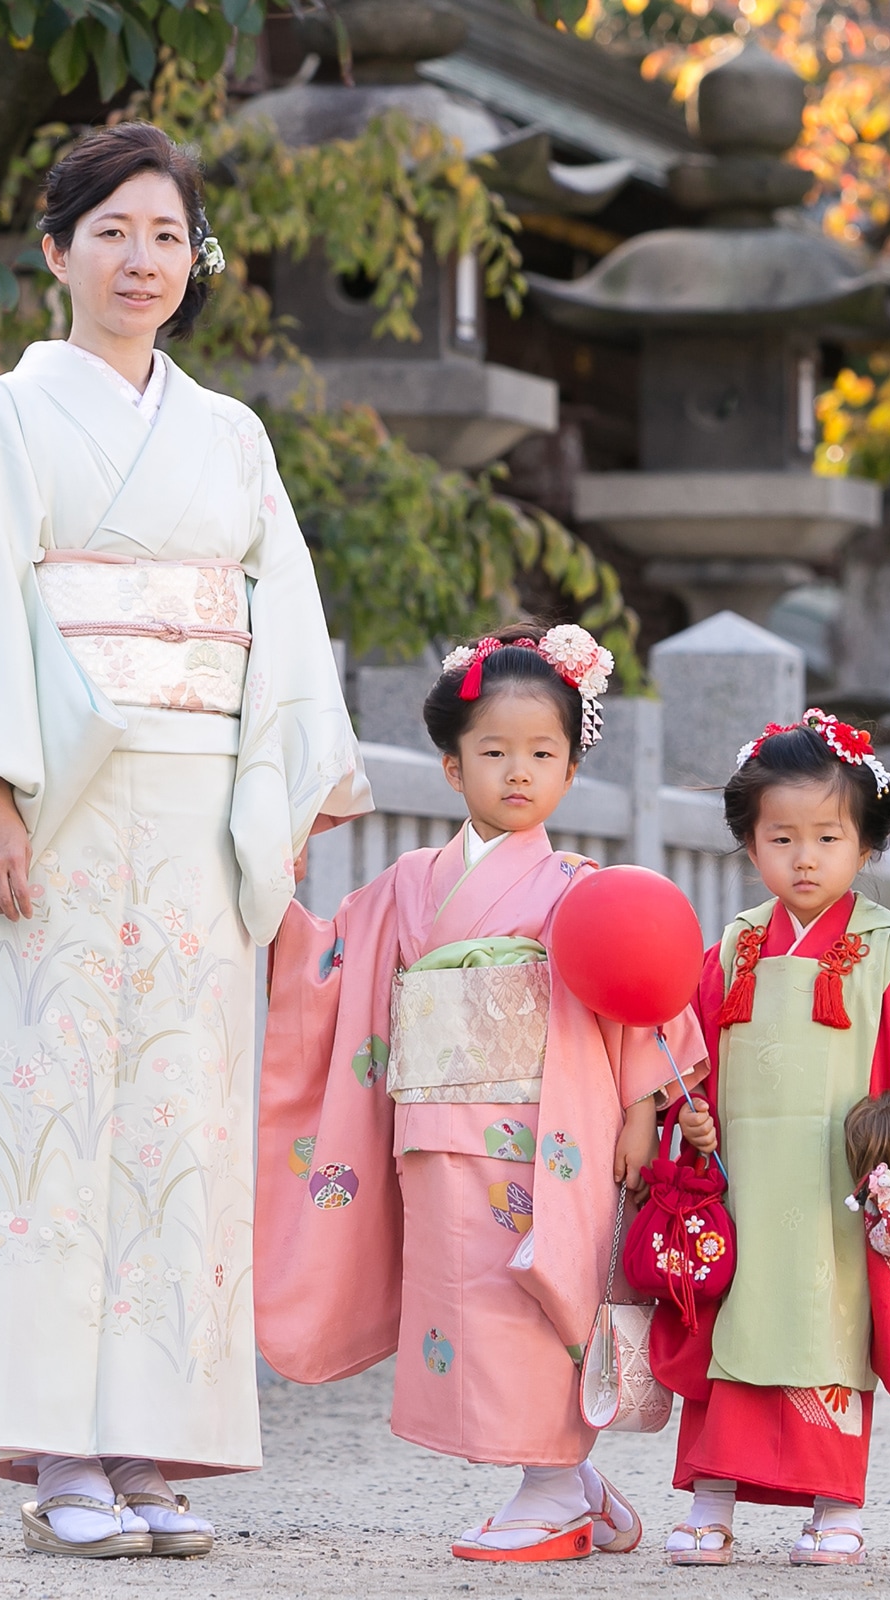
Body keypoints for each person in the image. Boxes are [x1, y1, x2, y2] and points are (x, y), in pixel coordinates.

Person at [0, 123, 369, 1560]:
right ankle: (57, 1453)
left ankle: (155, 1449)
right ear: (54, 253)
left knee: (183, 1135)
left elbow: (282, 634)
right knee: (55, 1121)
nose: (144, 262)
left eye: (168, 238)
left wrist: (277, 820)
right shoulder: (2, 425)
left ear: (192, 261)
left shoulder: (230, 436)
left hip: (204, 809)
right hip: (66, 799)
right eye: (114, 234)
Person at [257, 623, 706, 1563]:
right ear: (452, 770)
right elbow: (328, 964)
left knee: (533, 1302)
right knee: (460, 1307)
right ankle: (572, 1483)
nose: (518, 771)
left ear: (572, 771)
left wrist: (636, 1111)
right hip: (432, 1134)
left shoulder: (579, 888)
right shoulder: (409, 885)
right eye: (492, 752)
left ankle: (550, 1490)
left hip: (545, 1140)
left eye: (543, 753)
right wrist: (262, 897)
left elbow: (640, 1000)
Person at [651, 711, 890, 1569]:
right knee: (732, 1321)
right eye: (780, 837)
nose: (805, 857)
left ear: (866, 845)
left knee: (832, 1329)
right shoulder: (731, 948)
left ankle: (835, 1507)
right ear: (750, 845)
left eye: (828, 836)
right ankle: (710, 1504)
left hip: (838, 1190)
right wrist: (693, 1116)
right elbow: (692, 1060)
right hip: (747, 1180)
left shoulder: (888, 950)